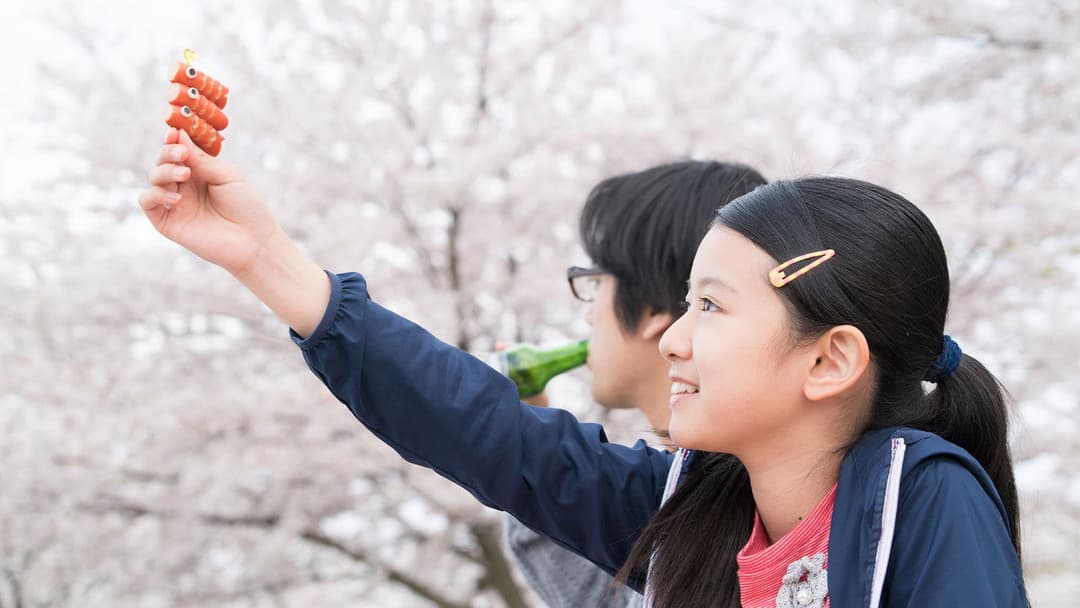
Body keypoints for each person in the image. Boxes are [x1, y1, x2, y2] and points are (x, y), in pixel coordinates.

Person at [141, 128, 1028, 607]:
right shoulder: (691, 513)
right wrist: (267, 261)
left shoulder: (924, 502)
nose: (674, 339)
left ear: (830, 359)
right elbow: (487, 434)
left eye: (711, 307)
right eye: (681, 305)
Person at [504, 160, 767, 607]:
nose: (589, 312)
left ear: (650, 308)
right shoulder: (682, 495)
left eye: (595, 283)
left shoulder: (763, 508)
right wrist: (532, 437)